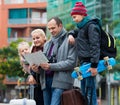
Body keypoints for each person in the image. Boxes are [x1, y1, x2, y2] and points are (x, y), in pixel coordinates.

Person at [68, 2, 101, 105]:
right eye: (72, 18)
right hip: (83, 63)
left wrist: (94, 66)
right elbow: (74, 31)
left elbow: (95, 46)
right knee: (84, 91)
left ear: (82, 14)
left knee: (90, 92)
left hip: (90, 63)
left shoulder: (91, 26)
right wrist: (70, 34)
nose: (74, 20)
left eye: (75, 17)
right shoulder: (81, 27)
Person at [39, 17, 77, 105]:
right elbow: (44, 60)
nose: (51, 31)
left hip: (61, 82)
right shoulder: (48, 43)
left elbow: (71, 62)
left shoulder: (70, 40)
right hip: (46, 81)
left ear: (60, 26)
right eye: (49, 29)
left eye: (53, 28)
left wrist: (51, 66)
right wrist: (36, 67)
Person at [18, 28, 46, 105]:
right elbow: (30, 70)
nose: (25, 52)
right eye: (22, 51)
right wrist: (32, 74)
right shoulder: (24, 60)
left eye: (26, 49)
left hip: (42, 80)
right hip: (35, 82)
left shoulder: (36, 50)